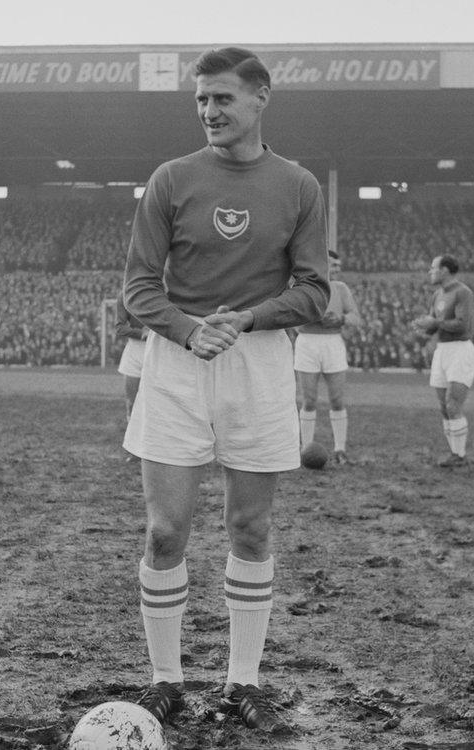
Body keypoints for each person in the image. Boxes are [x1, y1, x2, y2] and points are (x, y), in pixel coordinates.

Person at [122, 47, 329, 732]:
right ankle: (166, 681)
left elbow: (315, 290)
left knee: (249, 525)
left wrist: (247, 318)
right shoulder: (171, 179)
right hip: (178, 361)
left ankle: (243, 680)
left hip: (260, 359)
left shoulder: (298, 186)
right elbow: (139, 287)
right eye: (202, 101)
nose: (210, 112)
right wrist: (187, 330)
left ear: (261, 97)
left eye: (223, 99)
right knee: (163, 530)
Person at [293, 251, 362, 463]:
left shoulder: (340, 288)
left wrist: (339, 318)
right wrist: (314, 318)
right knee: (309, 399)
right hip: (307, 341)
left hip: (333, 343)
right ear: (322, 264)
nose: (337, 269)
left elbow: (355, 317)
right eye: (333, 265)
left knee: (337, 399)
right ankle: (305, 449)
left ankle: (340, 449)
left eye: (339, 266)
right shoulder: (304, 286)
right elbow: (293, 318)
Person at [411, 254, 474, 468]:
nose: (430, 272)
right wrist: (423, 326)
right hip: (442, 350)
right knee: (443, 406)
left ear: (445, 270)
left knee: (453, 404)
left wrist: (435, 322)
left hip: (460, 349)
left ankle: (460, 455)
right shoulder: (437, 294)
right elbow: (435, 326)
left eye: (433, 268)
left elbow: (462, 324)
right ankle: (454, 453)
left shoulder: (462, 292)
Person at [115, 295, 149, 460]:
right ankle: (134, 449)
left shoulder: (164, 292)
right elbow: (120, 328)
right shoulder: (124, 296)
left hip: (155, 350)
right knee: (131, 402)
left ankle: (154, 448)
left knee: (158, 402)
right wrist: (141, 332)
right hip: (134, 351)